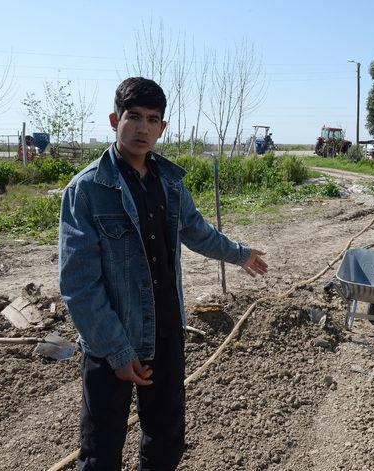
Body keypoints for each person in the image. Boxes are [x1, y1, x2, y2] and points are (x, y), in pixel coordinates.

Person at [59, 77, 268, 470]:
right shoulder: (86, 190)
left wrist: (240, 255)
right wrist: (118, 353)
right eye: (133, 117)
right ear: (114, 119)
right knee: (101, 452)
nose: (142, 128)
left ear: (163, 128)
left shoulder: (169, 183)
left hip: (167, 333)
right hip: (110, 345)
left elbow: (197, 232)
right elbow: (78, 285)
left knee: (165, 441)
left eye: (152, 120)